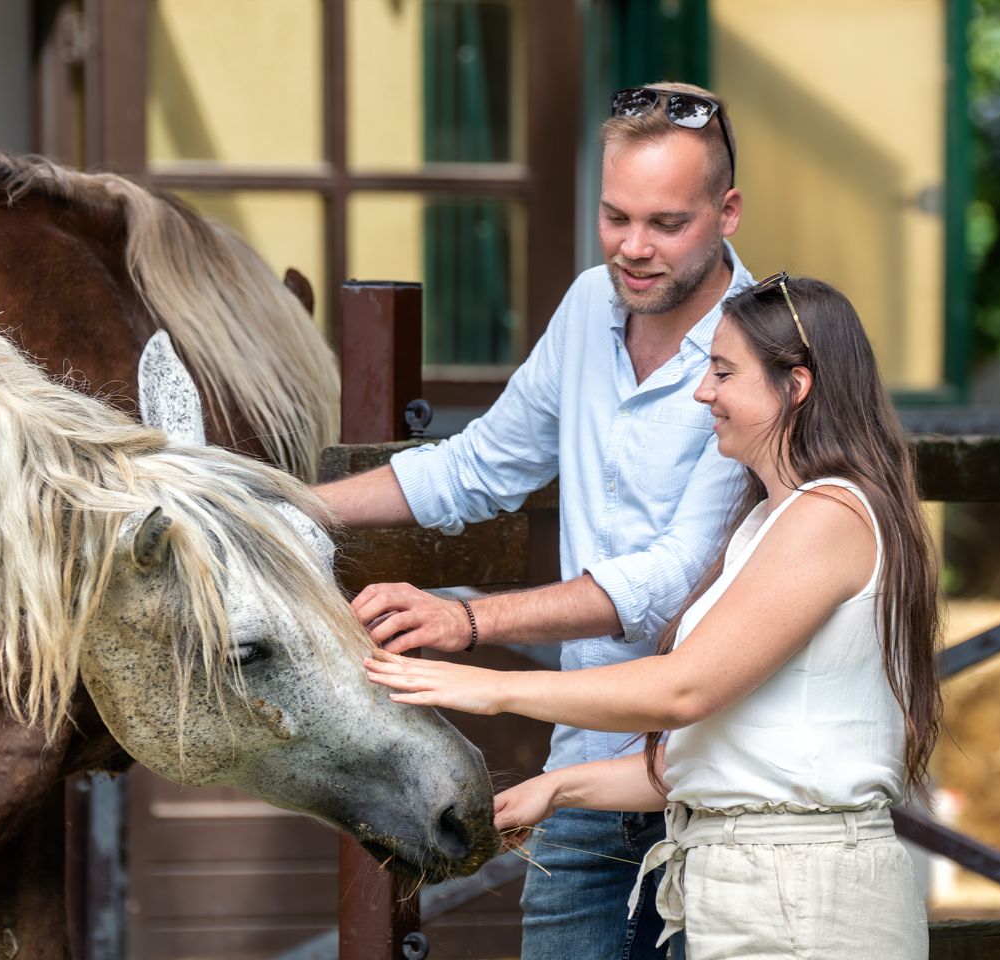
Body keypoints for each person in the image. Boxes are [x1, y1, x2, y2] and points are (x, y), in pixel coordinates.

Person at [364, 275, 943, 960]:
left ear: (797, 385)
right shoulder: (770, 520)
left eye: (724, 373)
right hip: (760, 887)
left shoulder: (830, 516)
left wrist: (490, 687)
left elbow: (683, 689)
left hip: (805, 899)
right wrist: (557, 789)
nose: (705, 393)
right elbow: (714, 758)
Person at [315, 81, 752, 959]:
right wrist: (282, 503)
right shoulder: (591, 305)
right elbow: (478, 468)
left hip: (725, 778)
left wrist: (470, 620)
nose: (634, 248)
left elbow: (674, 574)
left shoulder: (767, 344)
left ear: (728, 212)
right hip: (587, 772)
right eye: (615, 216)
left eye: (667, 224)